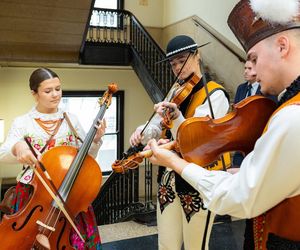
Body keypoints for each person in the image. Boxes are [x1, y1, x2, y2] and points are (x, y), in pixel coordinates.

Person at [146, 0, 300, 249]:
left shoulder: (291, 115)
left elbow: (240, 197)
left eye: (254, 58)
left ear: (282, 46)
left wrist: (173, 160)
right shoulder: (288, 107)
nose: (250, 69)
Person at [130, 35, 231, 250]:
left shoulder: (215, 95)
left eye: (182, 60)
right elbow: (158, 126)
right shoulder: (175, 91)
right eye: (173, 63)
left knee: (196, 245)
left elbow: (195, 139)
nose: (177, 67)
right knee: (167, 244)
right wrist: (142, 132)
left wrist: (176, 117)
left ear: (197, 56)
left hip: (198, 177)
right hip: (168, 178)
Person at [0, 68, 106, 249]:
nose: (55, 95)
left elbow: (85, 158)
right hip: (34, 193)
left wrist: (95, 140)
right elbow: (3, 152)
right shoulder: (23, 121)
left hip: (68, 194)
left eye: (58, 89)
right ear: (34, 94)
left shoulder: (71, 119)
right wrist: (19, 147)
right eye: (48, 91)